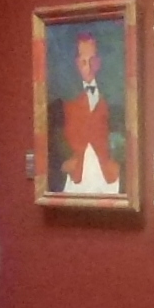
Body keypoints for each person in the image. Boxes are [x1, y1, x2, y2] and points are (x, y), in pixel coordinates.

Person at [53, 30, 121, 196]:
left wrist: (115, 161)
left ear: (99, 62)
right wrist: (67, 161)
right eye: (83, 62)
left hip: (106, 175)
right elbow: (55, 136)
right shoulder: (66, 100)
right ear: (77, 63)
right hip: (77, 174)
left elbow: (121, 133)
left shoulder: (110, 97)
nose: (88, 67)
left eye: (92, 61)